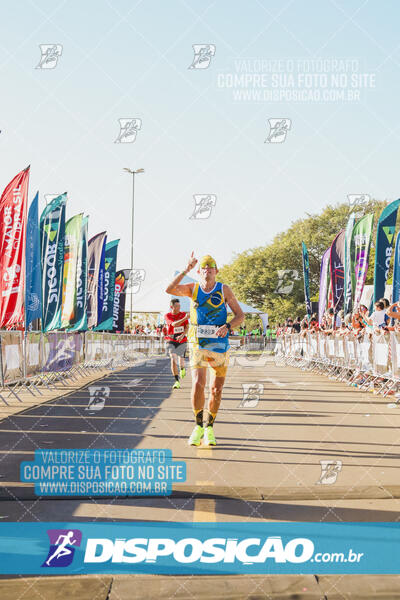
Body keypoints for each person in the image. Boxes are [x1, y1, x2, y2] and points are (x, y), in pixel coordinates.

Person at [165, 252, 244, 446]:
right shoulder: (192, 288)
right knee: (198, 383)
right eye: (204, 268)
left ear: (216, 271)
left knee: (216, 389)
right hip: (197, 343)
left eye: (211, 267)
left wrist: (228, 326)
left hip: (219, 345)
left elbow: (240, 316)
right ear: (199, 271)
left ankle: (209, 428)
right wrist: (186, 269)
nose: (207, 270)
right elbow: (169, 289)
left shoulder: (224, 289)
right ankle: (198, 425)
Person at [164, 299, 189, 389]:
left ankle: (182, 369)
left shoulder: (182, 314)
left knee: (181, 360)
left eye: (179, 306)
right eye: (177, 306)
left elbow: (187, 327)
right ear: (172, 307)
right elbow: (174, 324)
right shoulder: (167, 315)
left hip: (182, 339)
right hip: (171, 339)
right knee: (173, 358)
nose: (179, 308)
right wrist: (185, 318)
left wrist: (183, 335)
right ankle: (176, 381)